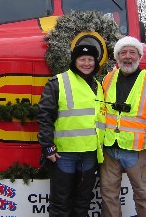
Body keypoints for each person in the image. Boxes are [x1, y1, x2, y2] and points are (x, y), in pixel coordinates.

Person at [100, 36, 146, 217]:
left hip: (137, 151)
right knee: (109, 196)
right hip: (110, 149)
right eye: (123, 53)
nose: (127, 57)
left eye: (132, 53)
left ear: (139, 56)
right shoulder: (107, 79)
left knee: (143, 196)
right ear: (117, 57)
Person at [37, 44, 106, 217]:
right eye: (82, 59)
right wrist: (47, 146)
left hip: (90, 153)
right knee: (60, 203)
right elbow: (45, 115)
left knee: (82, 202)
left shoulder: (98, 86)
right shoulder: (58, 82)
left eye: (90, 59)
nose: (86, 63)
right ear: (74, 61)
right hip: (64, 154)